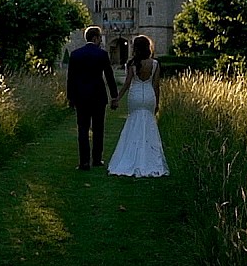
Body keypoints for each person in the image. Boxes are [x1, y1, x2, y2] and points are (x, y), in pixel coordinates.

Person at [106, 35, 169, 177]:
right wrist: (157, 103)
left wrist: (117, 98)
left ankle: (131, 157)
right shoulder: (154, 64)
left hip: (135, 96)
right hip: (148, 96)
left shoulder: (132, 63)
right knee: (148, 125)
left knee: (133, 123)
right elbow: (156, 85)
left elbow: (128, 83)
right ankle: (149, 158)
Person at [65, 25, 119, 170]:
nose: (100, 41)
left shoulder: (75, 54)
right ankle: (96, 159)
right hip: (98, 96)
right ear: (95, 38)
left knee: (82, 129)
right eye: (99, 38)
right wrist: (115, 96)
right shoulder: (101, 54)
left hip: (81, 97)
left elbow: (71, 79)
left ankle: (83, 162)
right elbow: (109, 76)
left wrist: (70, 97)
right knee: (98, 128)